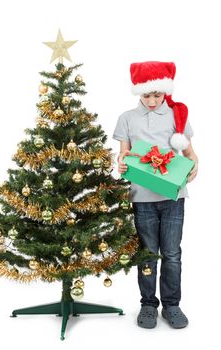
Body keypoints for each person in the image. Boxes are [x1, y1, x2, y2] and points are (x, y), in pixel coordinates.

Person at [112, 61, 198, 329]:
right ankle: (148, 304)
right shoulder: (127, 118)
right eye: (146, 95)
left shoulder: (177, 116)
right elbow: (123, 155)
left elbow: (189, 154)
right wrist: (121, 163)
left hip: (173, 199)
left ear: (164, 92)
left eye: (157, 95)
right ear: (138, 92)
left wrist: (194, 166)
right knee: (147, 253)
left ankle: (171, 304)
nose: (151, 100)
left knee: (172, 254)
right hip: (142, 199)